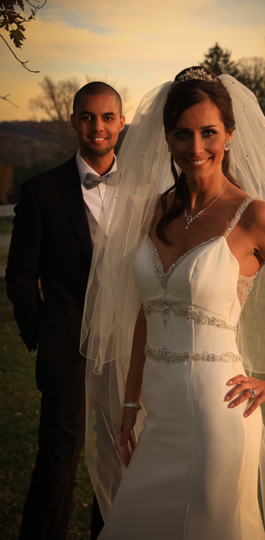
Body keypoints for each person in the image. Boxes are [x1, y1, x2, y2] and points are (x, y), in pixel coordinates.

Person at [81, 68, 265, 539]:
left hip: (218, 414)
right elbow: (146, 314)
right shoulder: (155, 212)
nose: (196, 147)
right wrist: (131, 400)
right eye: (182, 134)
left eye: (209, 132)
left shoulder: (255, 217)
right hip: (158, 415)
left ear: (229, 135)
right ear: (166, 139)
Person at [6, 81, 125, 540]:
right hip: (66, 348)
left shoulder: (142, 187)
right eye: (88, 116)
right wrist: (40, 335)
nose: (98, 126)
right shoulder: (40, 190)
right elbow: (19, 275)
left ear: (120, 122)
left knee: (118, 463)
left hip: (125, 352)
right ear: (74, 120)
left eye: (107, 117)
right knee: (58, 465)